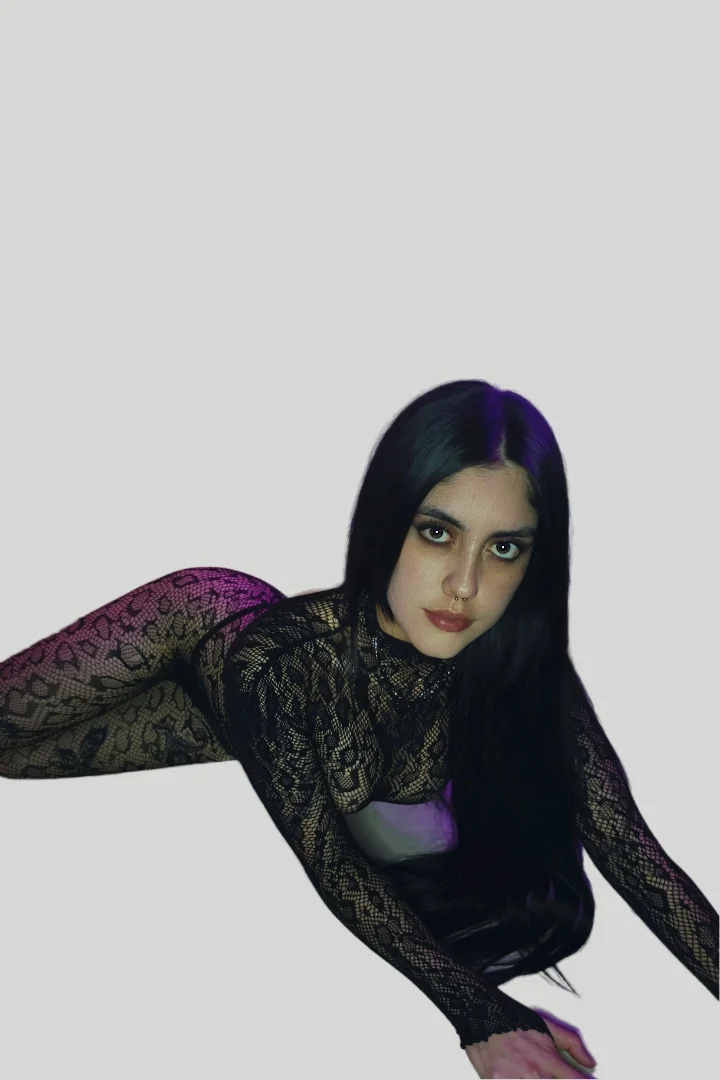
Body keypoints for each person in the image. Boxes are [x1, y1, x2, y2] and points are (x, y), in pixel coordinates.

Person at [1, 379, 717, 1079]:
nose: (464, 585)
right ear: (387, 520)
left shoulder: (523, 674)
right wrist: (480, 1014)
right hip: (206, 621)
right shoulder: (286, 664)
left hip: (261, 697)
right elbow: (333, 863)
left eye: (504, 549)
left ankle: (251, 723)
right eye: (437, 533)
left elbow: (631, 851)